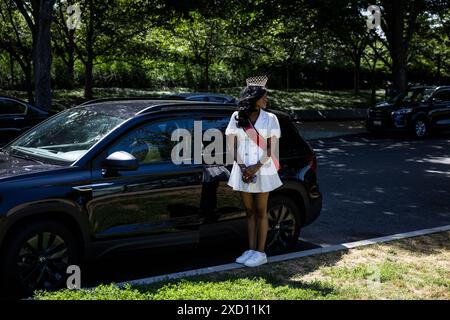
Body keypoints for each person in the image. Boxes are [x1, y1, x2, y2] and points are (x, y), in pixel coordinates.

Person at [224, 76, 283, 267]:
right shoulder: (236, 117)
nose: (267, 100)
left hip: (263, 170)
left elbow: (272, 147)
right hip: (242, 170)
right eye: (264, 96)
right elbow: (231, 145)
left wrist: (255, 167)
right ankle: (250, 250)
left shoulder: (271, 118)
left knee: (261, 212)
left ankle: (261, 252)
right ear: (254, 97)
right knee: (249, 212)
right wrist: (243, 168)